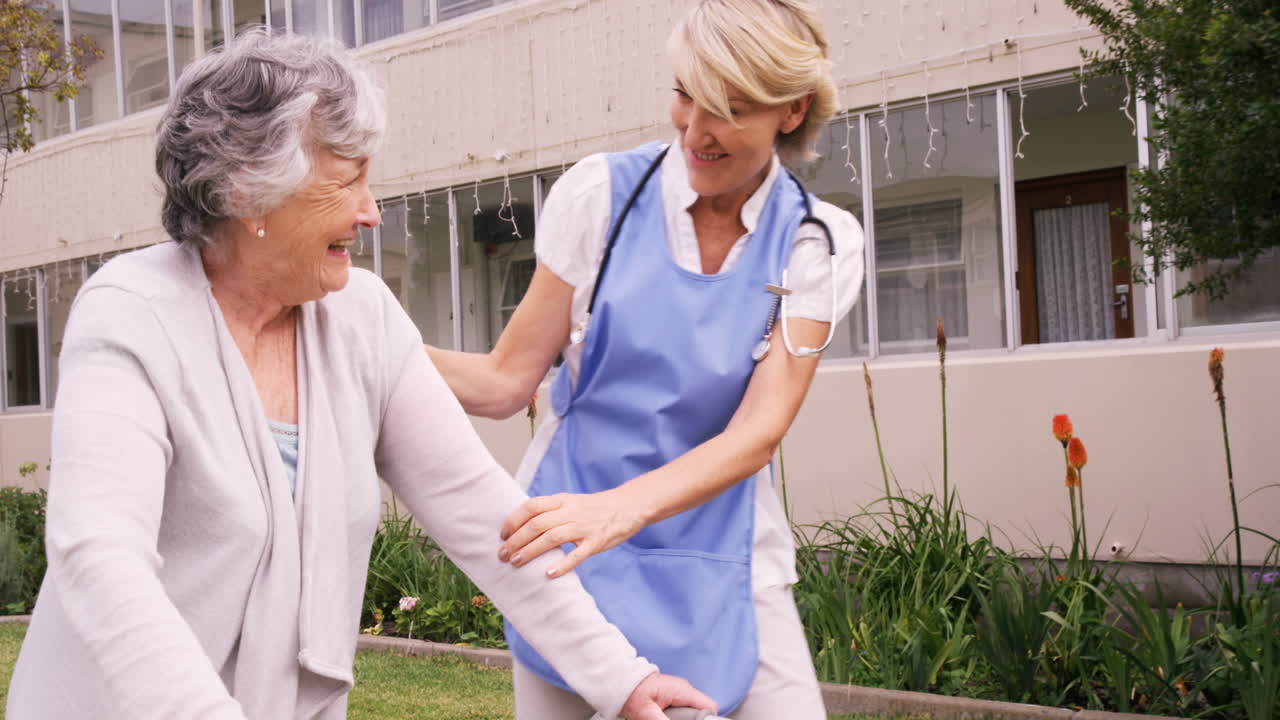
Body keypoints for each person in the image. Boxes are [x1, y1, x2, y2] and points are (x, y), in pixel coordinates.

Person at [5, 30, 715, 720]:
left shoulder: (362, 317)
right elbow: (101, 557)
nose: (371, 211)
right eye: (347, 180)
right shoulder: (131, 314)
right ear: (251, 192)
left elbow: (485, 518)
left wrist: (622, 678)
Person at [425, 1, 865, 718]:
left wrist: (621, 511)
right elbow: (506, 382)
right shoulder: (601, 197)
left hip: (724, 551)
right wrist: (369, 337)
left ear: (792, 111)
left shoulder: (818, 240)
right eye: (684, 94)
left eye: (726, 108)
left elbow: (758, 432)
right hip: (569, 546)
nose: (693, 130)